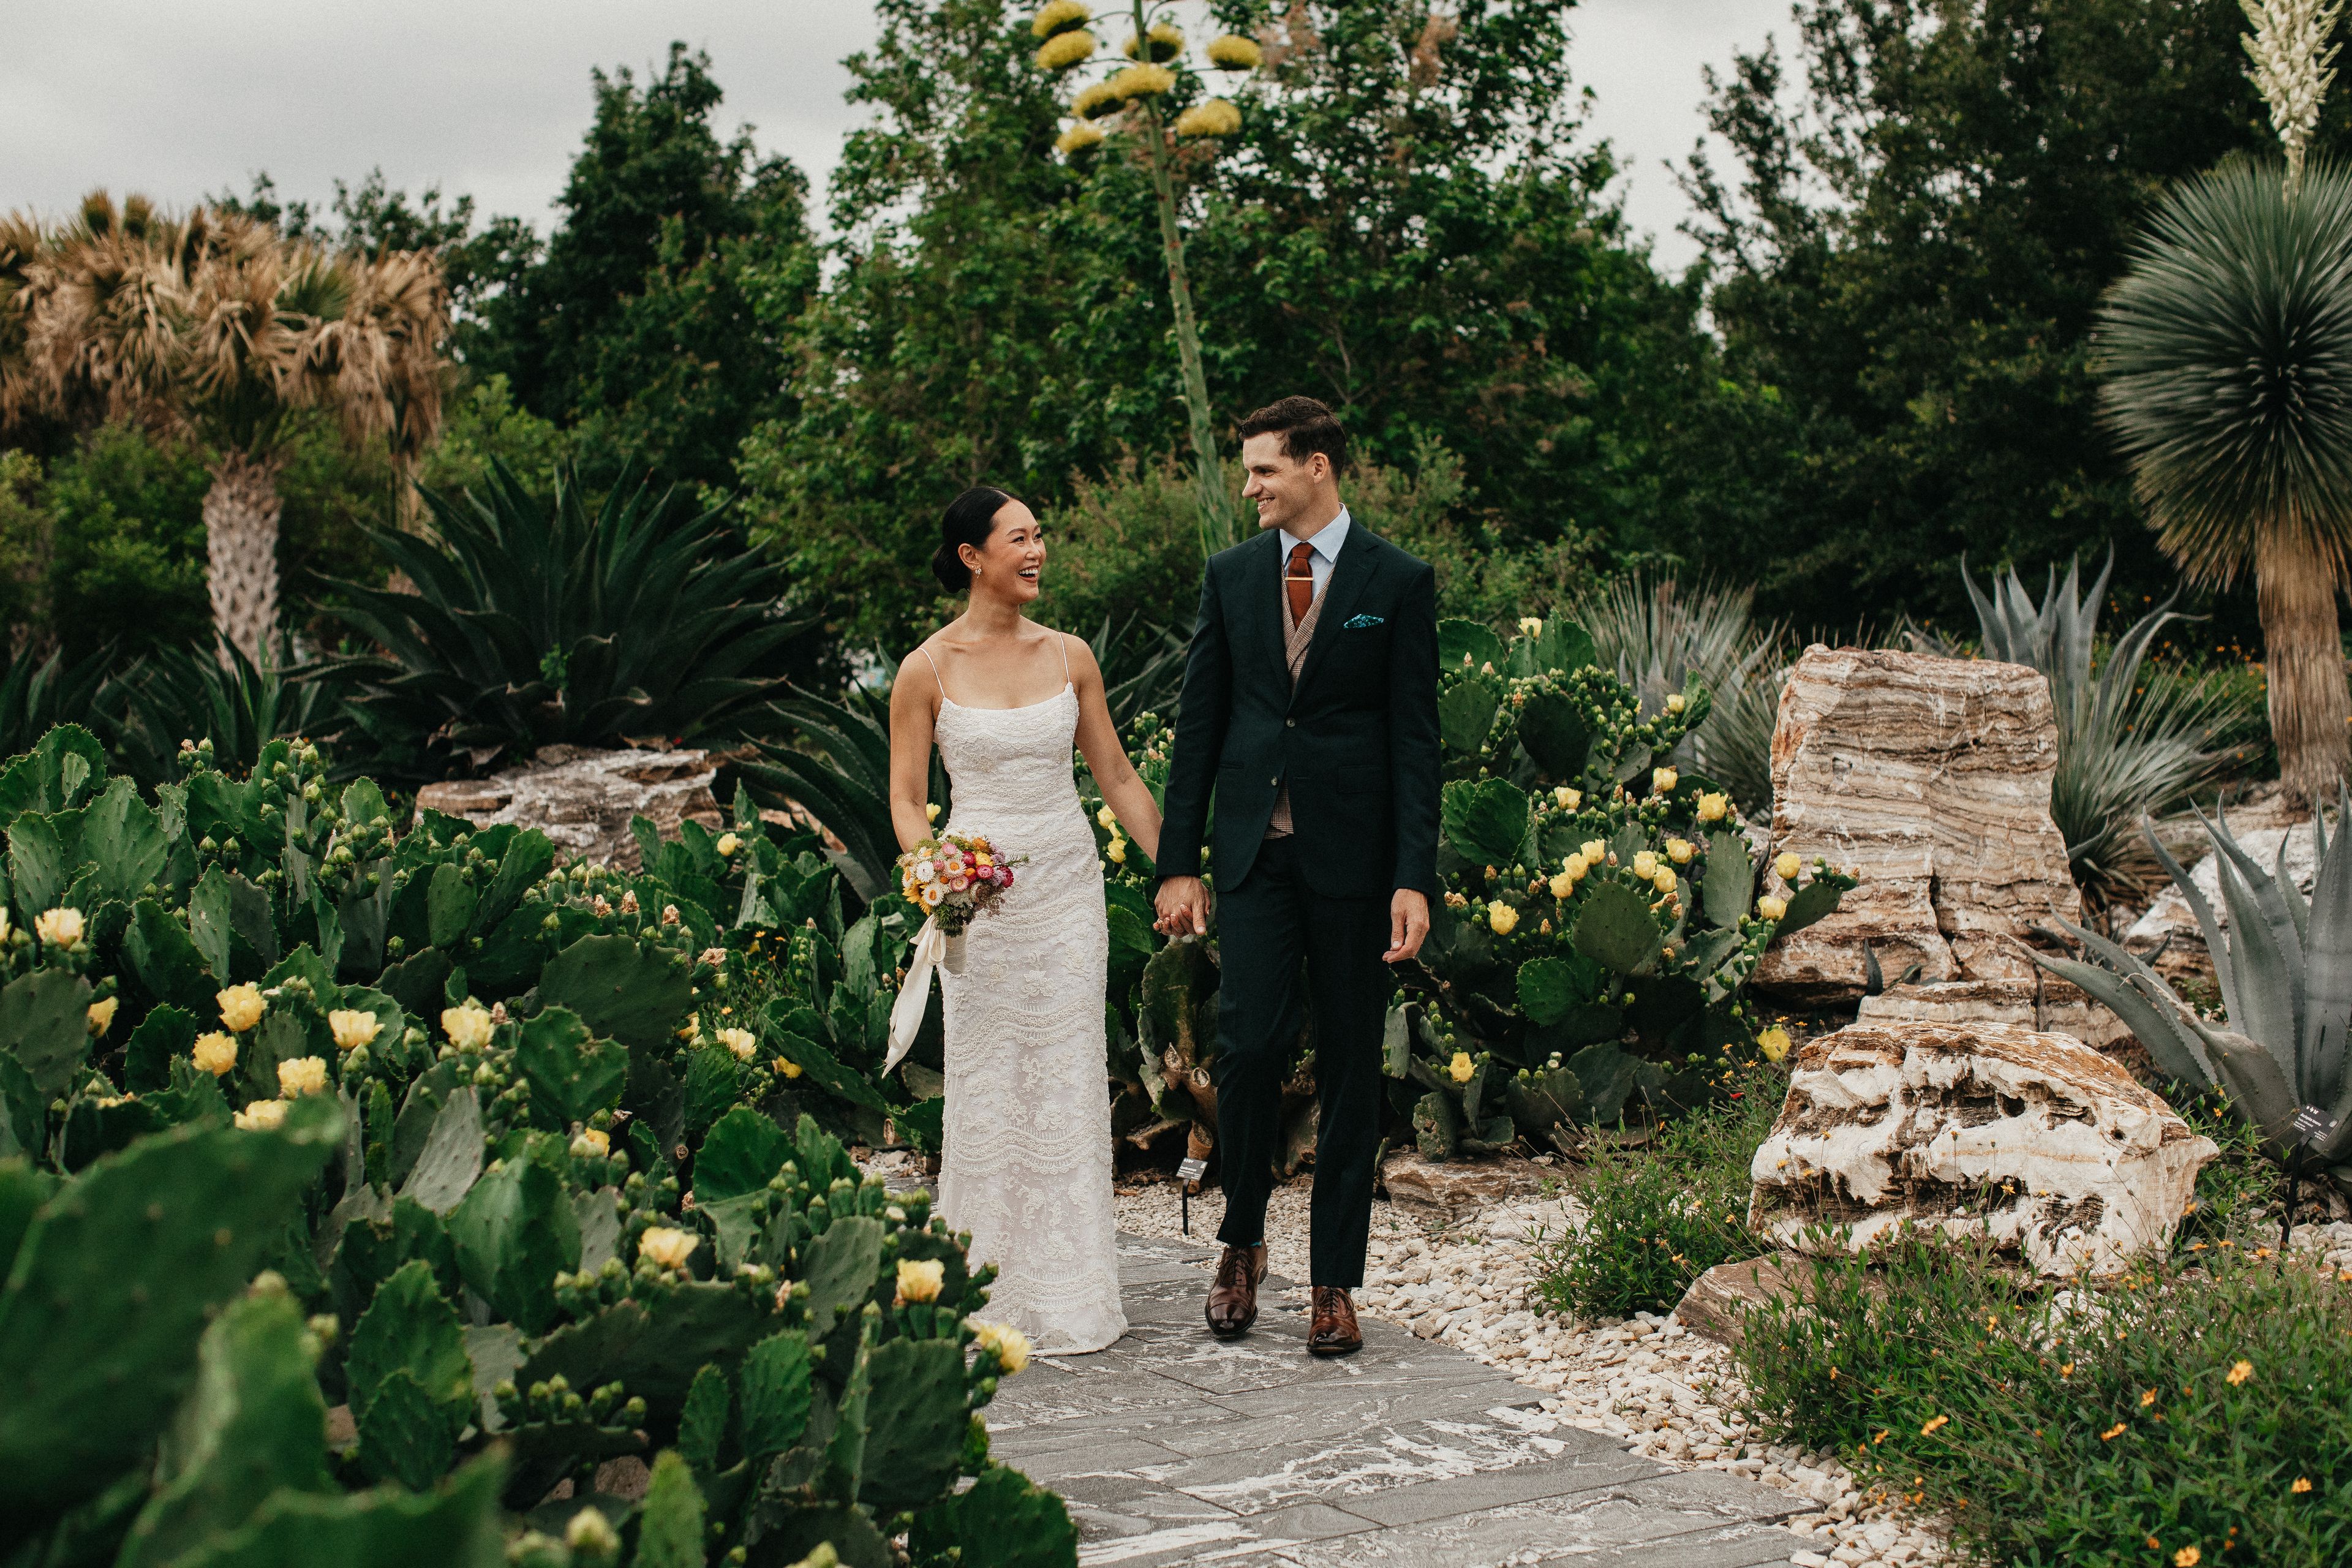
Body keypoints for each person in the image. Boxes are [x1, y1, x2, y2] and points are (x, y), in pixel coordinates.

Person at [1153, 395, 1441, 1357]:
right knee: (1246, 1046)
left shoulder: (1396, 580)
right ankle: (1241, 1243)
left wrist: (1414, 875)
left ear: (1317, 464)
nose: (1249, 488)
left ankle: (1334, 1281)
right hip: (1252, 857)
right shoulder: (1231, 577)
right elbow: (1201, 725)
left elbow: (1414, 739)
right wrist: (1177, 862)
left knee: (1356, 1061)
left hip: (1356, 862)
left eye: (1263, 470)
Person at [888, 486, 1163, 1355]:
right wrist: (936, 874)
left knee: (1067, 1072)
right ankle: (984, 1279)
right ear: (973, 556)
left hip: (1067, 892)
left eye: (1041, 536)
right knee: (988, 1080)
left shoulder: (1072, 656)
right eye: (1020, 538)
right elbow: (905, 797)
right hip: (980, 904)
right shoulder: (925, 668)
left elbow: (1115, 777)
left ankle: (1074, 1287)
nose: (1038, 551)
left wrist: (1183, 871)